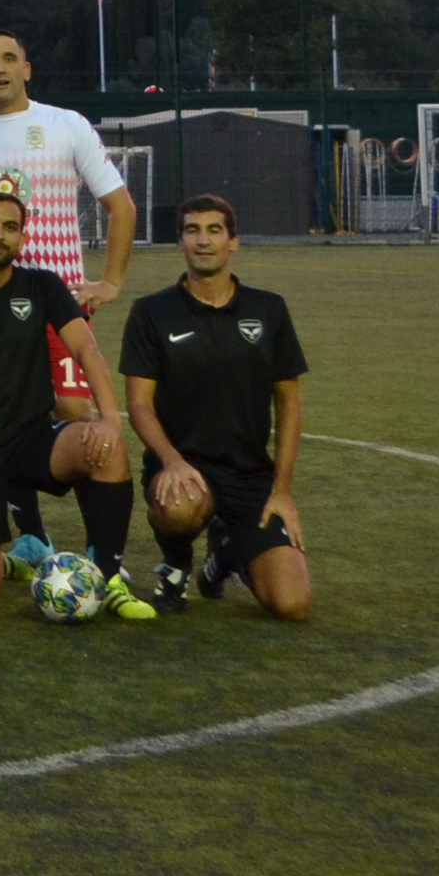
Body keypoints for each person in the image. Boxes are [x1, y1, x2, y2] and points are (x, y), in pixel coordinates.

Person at [0, 31, 136, 561]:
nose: (0, 68)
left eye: (9, 58)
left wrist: (111, 282)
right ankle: (32, 534)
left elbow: (121, 206)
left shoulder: (66, 125)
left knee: (76, 411)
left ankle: (101, 555)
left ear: (27, 69)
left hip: (55, 305)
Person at [0, 189, 153, 620]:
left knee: (106, 448)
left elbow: (86, 349)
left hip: (31, 438)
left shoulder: (41, 286)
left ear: (22, 238)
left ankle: (108, 577)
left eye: (10, 227)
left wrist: (109, 420)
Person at [122, 196, 311, 620]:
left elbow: (289, 401)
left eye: (214, 230)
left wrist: (282, 491)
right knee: (179, 507)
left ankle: (225, 553)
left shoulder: (268, 309)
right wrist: (171, 461)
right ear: (181, 243)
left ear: (233, 241)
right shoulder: (152, 312)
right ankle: (176, 567)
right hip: (183, 468)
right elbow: (138, 404)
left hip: (250, 477)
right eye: (192, 230)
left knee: (293, 605)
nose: (203, 240)